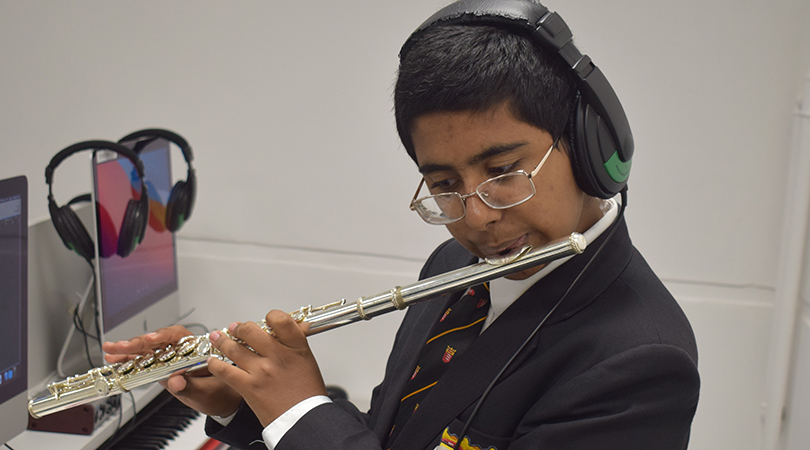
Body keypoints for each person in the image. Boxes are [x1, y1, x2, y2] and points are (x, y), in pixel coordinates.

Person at [104, 1, 700, 449]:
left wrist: (304, 412)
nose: (480, 217)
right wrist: (251, 406)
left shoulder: (638, 361)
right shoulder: (454, 270)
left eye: (504, 170)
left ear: (593, 146)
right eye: (444, 185)